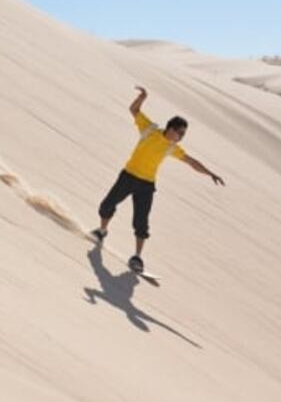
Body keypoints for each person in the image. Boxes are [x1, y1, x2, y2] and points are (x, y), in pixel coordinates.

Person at [92, 86, 225, 273]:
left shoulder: (172, 147)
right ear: (170, 128)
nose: (181, 137)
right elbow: (134, 110)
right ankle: (102, 232)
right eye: (180, 132)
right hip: (128, 176)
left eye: (184, 134)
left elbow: (191, 162)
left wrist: (210, 173)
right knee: (107, 205)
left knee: (141, 222)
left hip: (146, 185)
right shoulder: (149, 129)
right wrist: (142, 98)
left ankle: (137, 257)